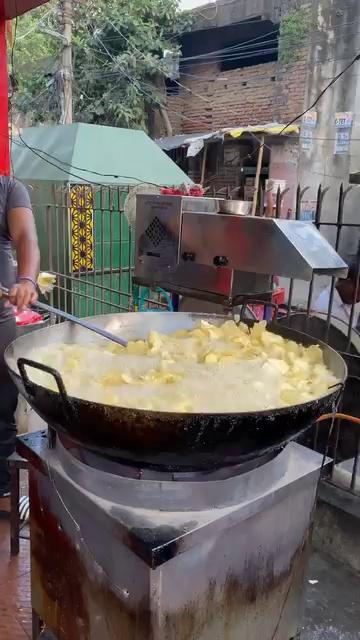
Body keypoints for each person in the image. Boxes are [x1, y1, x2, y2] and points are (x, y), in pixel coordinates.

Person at [0, 176, 39, 514]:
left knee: (2, 406)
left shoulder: (10, 189)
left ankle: (1, 491)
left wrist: (26, 279)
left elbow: (25, 236)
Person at [312, 261, 360, 329]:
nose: (358, 299)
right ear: (346, 280)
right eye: (358, 293)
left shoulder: (345, 299)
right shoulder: (326, 308)